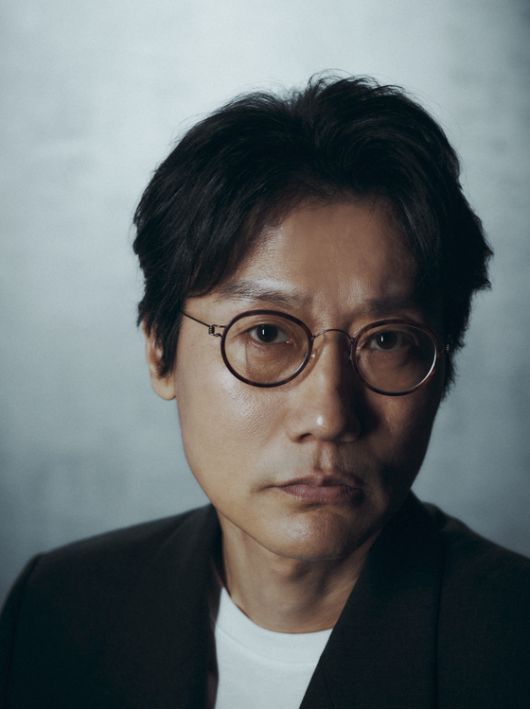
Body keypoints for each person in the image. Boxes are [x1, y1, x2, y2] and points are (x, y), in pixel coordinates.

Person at [1, 74, 528, 709]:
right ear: (161, 352)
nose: (329, 415)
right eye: (267, 333)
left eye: (388, 340)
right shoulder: (58, 609)